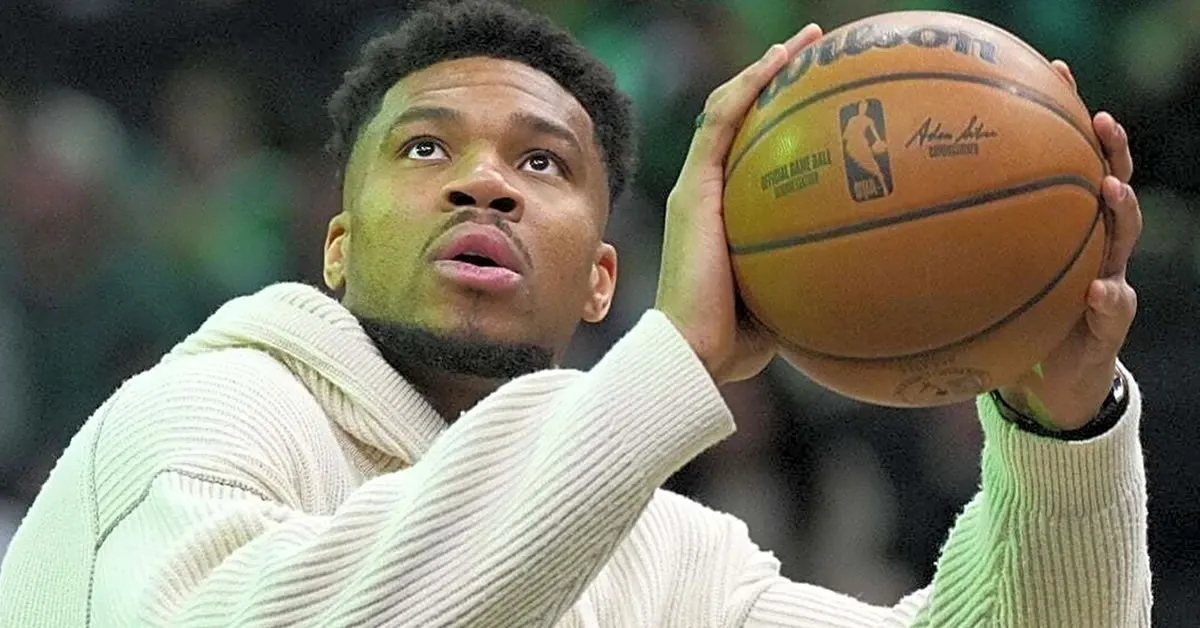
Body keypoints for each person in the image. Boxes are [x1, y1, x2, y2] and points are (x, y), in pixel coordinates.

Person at [0, 2, 1149, 626]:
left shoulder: (669, 565)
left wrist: (1061, 431)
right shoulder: (198, 419)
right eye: (426, 148)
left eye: (542, 161)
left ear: (603, 279)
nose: (484, 183)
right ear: (336, 248)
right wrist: (673, 357)